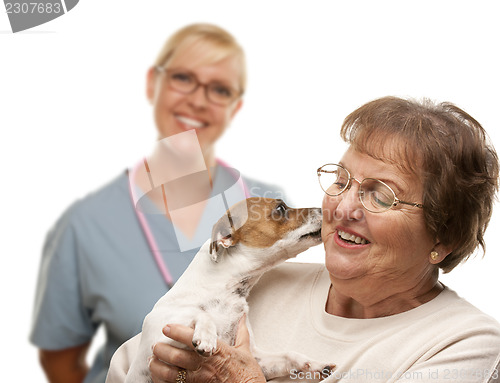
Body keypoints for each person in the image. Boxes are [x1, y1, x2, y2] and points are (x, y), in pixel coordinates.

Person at [107, 96, 500, 383]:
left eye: (381, 195)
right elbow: (129, 366)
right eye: (341, 180)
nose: (342, 207)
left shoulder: (464, 346)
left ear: (443, 238)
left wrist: (241, 380)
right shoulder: (260, 280)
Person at [30, 23, 286, 383]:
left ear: (236, 105)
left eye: (219, 89)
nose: (198, 100)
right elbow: (60, 360)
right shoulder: (86, 224)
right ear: (153, 83)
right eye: (183, 78)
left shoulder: (273, 208)